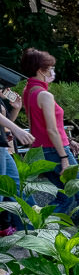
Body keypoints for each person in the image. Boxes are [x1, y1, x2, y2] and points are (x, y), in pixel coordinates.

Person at [21, 48, 79, 224]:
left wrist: (69, 140)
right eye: (50, 68)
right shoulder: (45, 95)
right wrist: (64, 157)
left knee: (64, 195)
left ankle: (42, 223)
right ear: (40, 70)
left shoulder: (28, 91)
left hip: (41, 149)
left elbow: (40, 126)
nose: (53, 72)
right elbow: (51, 130)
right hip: (54, 149)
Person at [0, 93, 35, 231]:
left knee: (15, 188)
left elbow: (4, 128)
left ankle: (32, 233)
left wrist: (16, 108)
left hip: (3, 147)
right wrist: (17, 129)